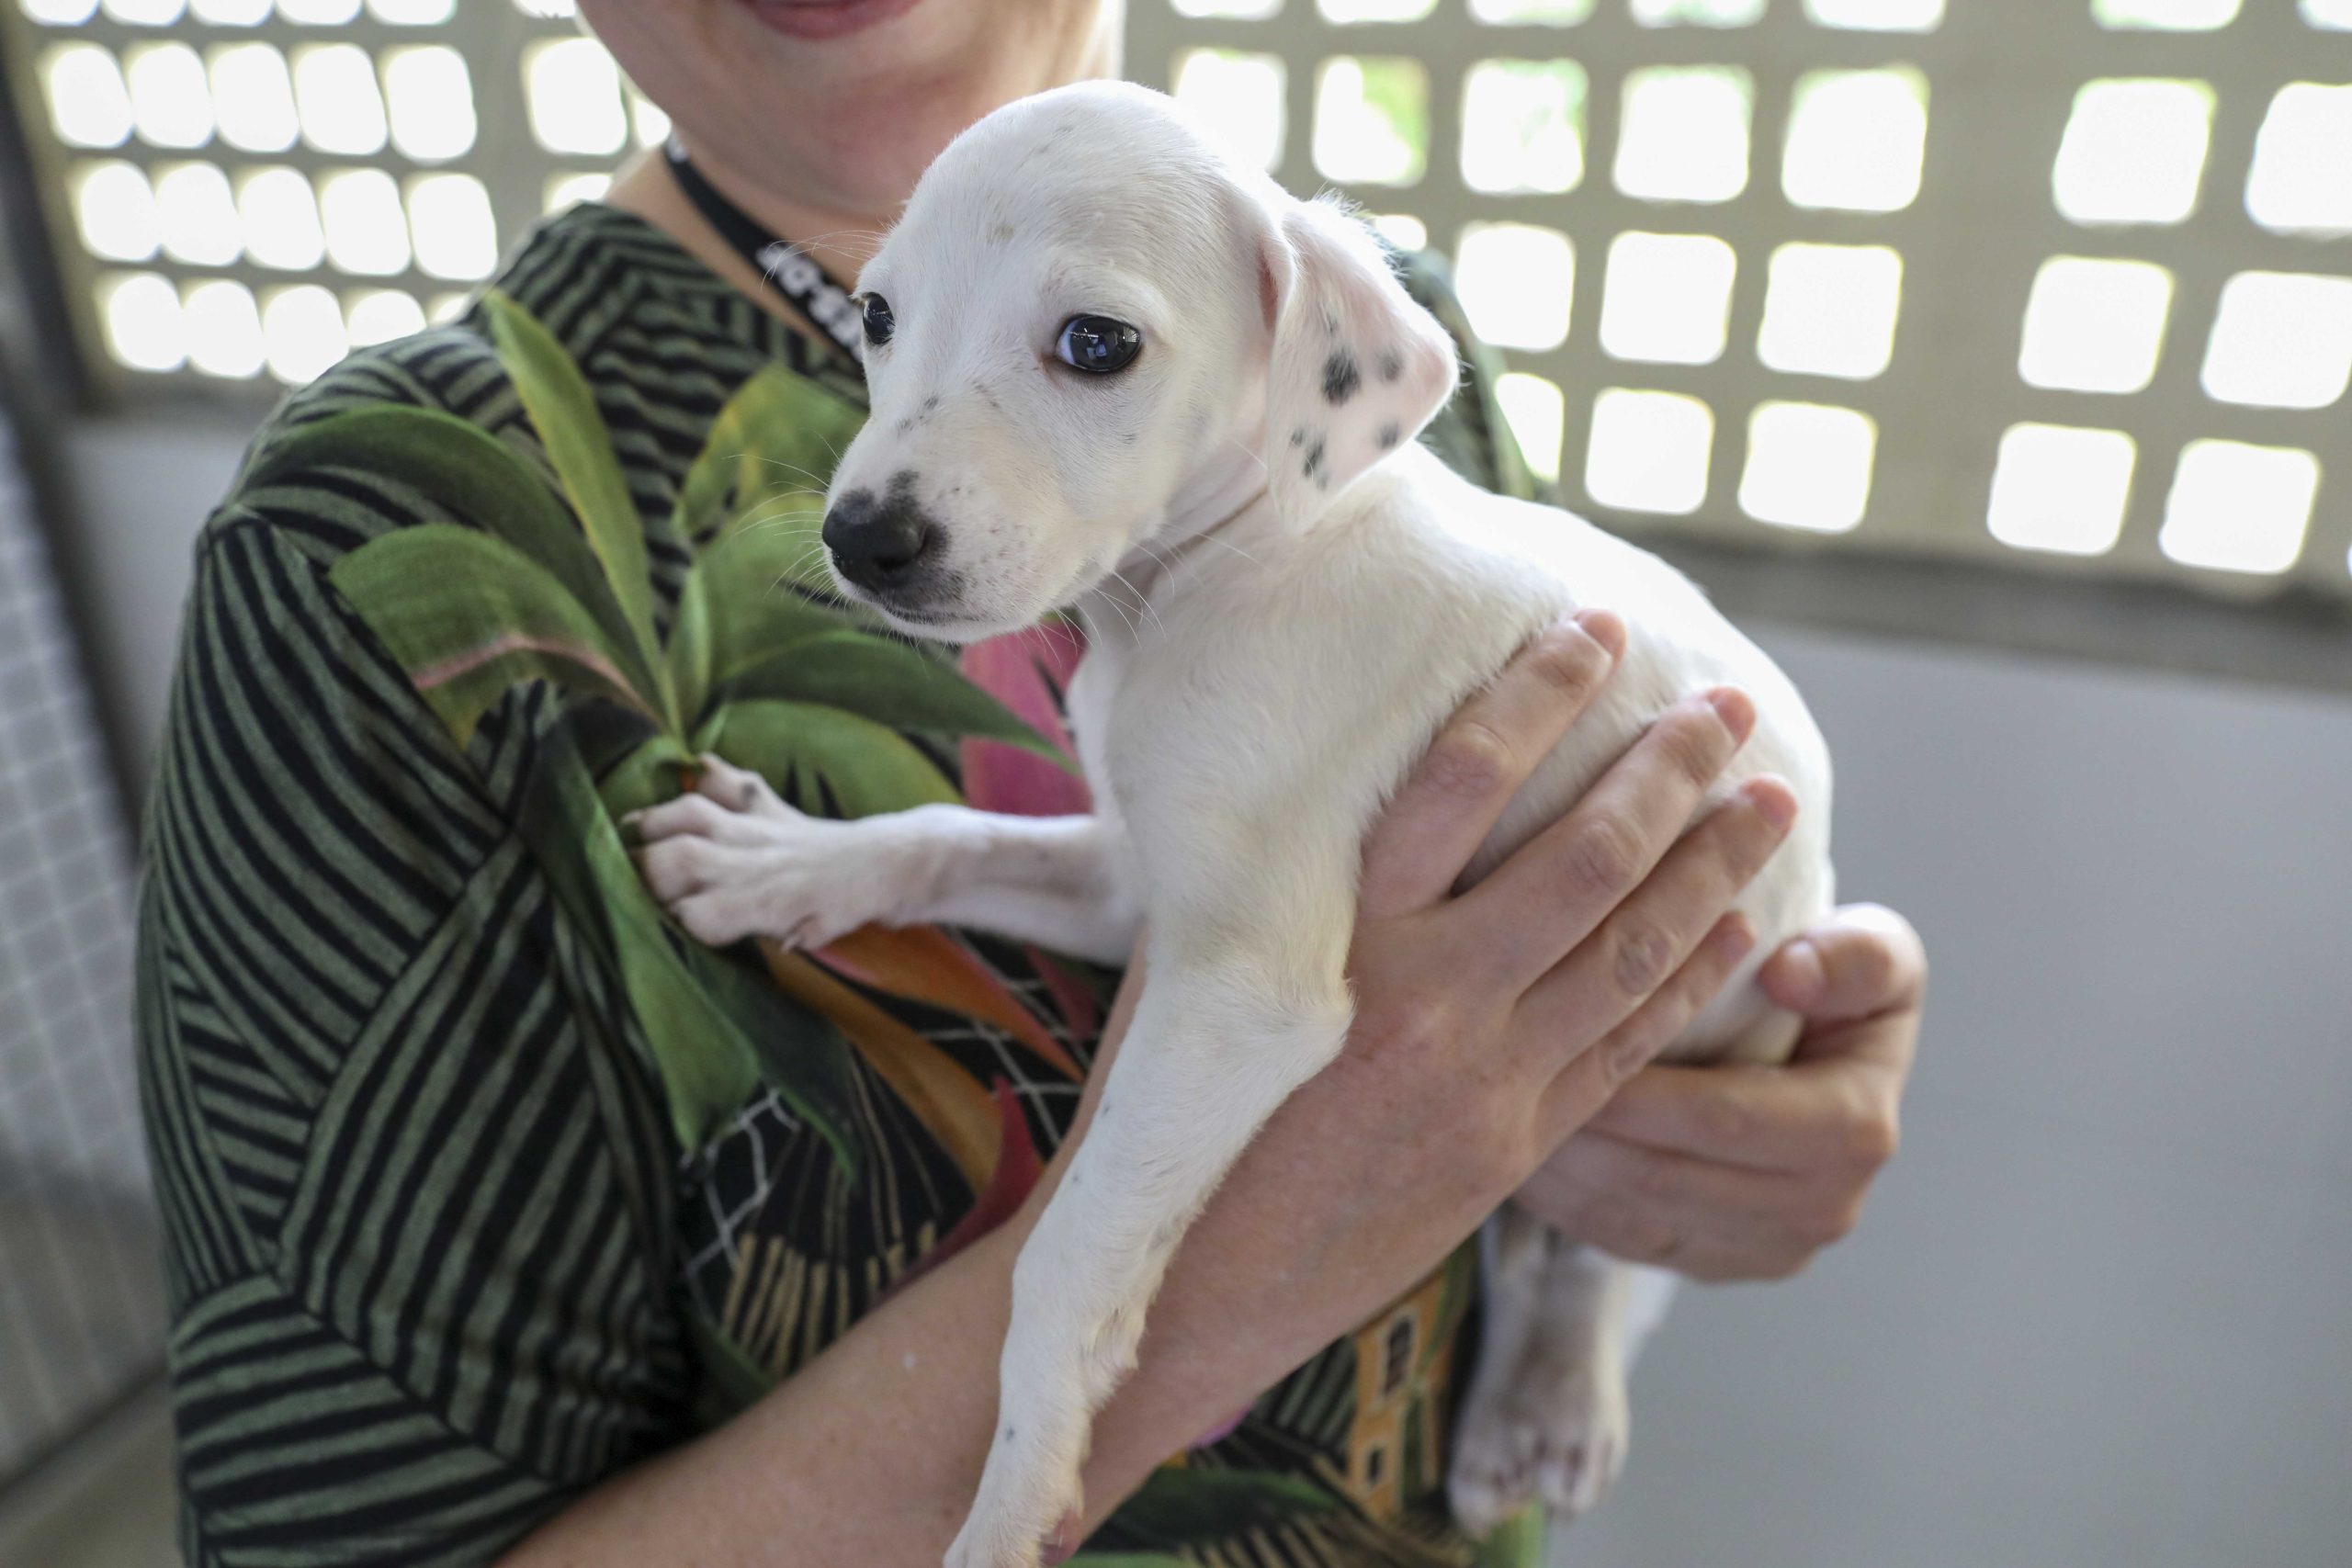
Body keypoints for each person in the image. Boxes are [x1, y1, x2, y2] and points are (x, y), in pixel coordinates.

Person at [132, 3, 1925, 1563]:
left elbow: (1507, 918)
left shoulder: (1350, 325)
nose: (885, 466)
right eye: (887, 327)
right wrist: (1212, 1272)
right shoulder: (371, 559)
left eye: (1088, 344)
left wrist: (1715, 1126)